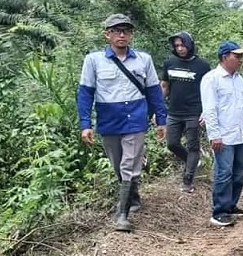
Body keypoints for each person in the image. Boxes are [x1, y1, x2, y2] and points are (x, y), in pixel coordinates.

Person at [76, 13, 167, 232]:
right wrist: (85, 123)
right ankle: (133, 198)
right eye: (116, 30)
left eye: (126, 30)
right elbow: (85, 93)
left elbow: (154, 91)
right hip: (110, 121)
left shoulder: (143, 59)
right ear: (107, 34)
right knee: (118, 164)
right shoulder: (94, 60)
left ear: (131, 34)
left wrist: (161, 120)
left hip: (136, 119)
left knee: (129, 165)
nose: (122, 34)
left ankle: (122, 214)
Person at [200, 40, 243, 226]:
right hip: (223, 136)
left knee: (239, 171)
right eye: (237, 56)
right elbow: (210, 109)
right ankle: (219, 211)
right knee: (224, 172)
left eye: (241, 56)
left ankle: (231, 204)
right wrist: (214, 134)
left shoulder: (238, 79)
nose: (241, 59)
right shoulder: (211, 79)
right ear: (225, 57)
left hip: (240, 134)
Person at [160, 31, 211, 193]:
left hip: (194, 112)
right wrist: (159, 108)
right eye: (177, 46)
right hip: (174, 112)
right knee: (172, 143)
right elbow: (164, 86)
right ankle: (192, 161)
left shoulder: (202, 66)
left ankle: (187, 181)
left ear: (190, 44)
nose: (180, 48)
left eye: (183, 45)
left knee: (193, 145)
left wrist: (206, 111)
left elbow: (209, 91)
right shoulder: (169, 62)